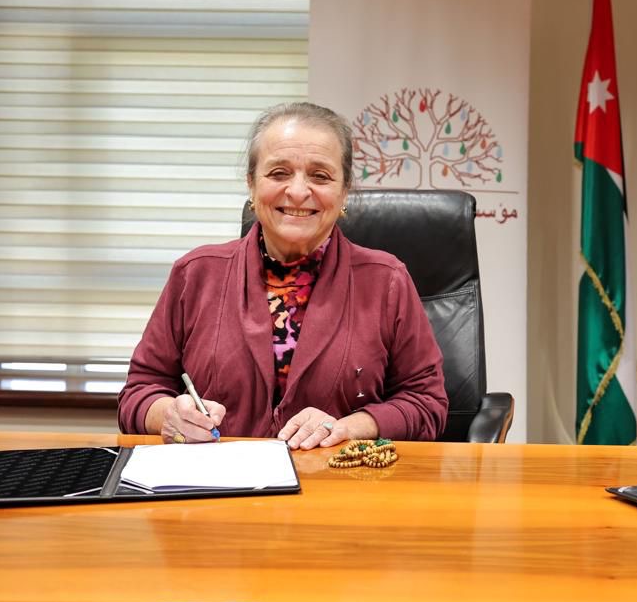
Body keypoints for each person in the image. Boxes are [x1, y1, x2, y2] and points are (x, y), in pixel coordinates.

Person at [119, 102, 447, 449]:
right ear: (251, 183)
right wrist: (169, 415)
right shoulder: (195, 273)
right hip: (217, 479)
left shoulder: (387, 281)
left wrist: (350, 427)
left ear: (344, 190)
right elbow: (139, 393)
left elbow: (427, 403)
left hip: (337, 478)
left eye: (320, 176)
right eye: (279, 173)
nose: (298, 192)